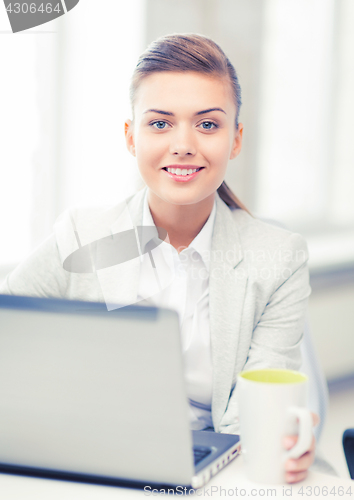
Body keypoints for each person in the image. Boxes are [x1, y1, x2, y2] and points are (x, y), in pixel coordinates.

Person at [1, 33, 318, 483]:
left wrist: (274, 439)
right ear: (131, 137)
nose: (184, 145)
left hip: (217, 471)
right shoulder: (83, 236)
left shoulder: (277, 258)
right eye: (160, 123)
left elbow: (256, 408)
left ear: (236, 138)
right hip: (84, 462)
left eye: (208, 125)